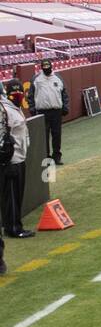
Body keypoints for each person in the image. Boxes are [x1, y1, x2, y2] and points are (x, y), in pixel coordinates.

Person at [1, 78, 33, 240]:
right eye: (14, 93)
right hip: (11, 160)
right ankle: (13, 228)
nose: (18, 95)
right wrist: (7, 156)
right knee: (12, 197)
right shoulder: (5, 110)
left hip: (20, 157)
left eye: (20, 92)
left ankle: (14, 225)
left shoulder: (15, 108)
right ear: (8, 94)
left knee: (17, 195)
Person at [30, 58, 68, 166]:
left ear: (51, 67)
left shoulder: (58, 78)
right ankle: (46, 157)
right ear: (41, 68)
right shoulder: (36, 79)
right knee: (44, 136)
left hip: (56, 111)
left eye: (48, 67)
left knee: (57, 135)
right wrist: (32, 109)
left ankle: (57, 157)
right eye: (44, 67)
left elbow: (64, 93)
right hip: (42, 111)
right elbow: (30, 96)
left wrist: (65, 107)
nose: (46, 69)